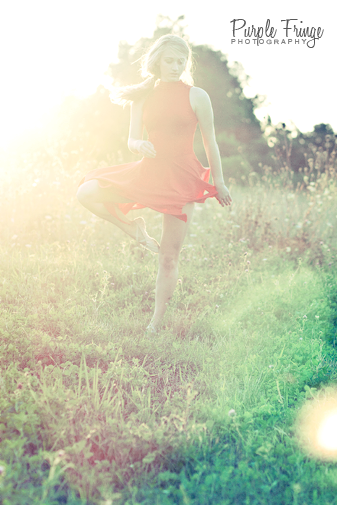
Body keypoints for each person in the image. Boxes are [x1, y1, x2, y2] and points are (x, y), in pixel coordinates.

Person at [76, 34, 232, 334]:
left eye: (181, 61)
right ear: (158, 61)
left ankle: (155, 323)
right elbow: (132, 138)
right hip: (148, 171)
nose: (175, 66)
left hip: (183, 177)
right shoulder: (143, 95)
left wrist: (219, 182)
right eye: (170, 61)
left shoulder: (197, 96)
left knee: (170, 256)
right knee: (87, 191)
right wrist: (139, 146)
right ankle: (134, 228)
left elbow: (209, 141)